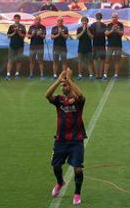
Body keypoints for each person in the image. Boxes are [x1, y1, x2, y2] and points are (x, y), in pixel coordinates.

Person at [45, 68, 86, 206]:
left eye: (65, 84)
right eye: (63, 85)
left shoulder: (79, 101)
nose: (64, 86)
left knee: (78, 169)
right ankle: (60, 182)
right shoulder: (59, 100)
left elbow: (80, 94)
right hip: (60, 140)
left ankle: (77, 193)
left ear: (71, 84)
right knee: (56, 166)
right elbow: (47, 95)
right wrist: (58, 80)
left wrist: (69, 78)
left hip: (76, 140)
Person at [105, 13, 124, 80]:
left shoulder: (120, 24)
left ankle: (116, 75)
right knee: (107, 60)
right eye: (113, 17)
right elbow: (106, 34)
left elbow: (122, 34)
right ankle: (105, 75)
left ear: (117, 18)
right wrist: (112, 30)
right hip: (110, 45)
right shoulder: (109, 25)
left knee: (117, 60)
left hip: (118, 45)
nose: (114, 18)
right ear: (111, 18)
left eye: (115, 17)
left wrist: (117, 30)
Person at [6, 14, 26, 79]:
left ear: (19, 19)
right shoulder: (11, 27)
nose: (17, 20)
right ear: (14, 19)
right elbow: (8, 36)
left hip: (20, 46)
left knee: (19, 60)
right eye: (15, 18)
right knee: (10, 60)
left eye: (18, 18)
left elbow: (23, 36)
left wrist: (18, 32)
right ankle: (8, 74)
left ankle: (17, 74)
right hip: (12, 46)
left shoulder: (22, 27)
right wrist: (14, 32)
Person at [89, 13, 107, 79]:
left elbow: (90, 36)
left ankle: (97, 75)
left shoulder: (92, 25)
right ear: (101, 18)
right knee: (102, 60)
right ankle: (100, 74)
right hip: (102, 44)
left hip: (95, 44)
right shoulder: (104, 25)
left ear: (96, 17)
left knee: (96, 60)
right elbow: (106, 34)